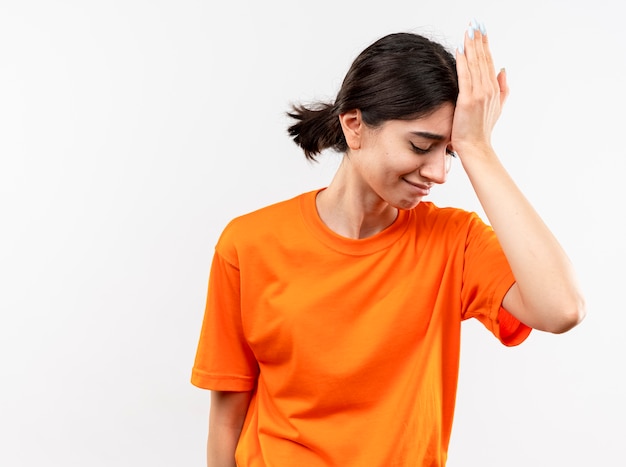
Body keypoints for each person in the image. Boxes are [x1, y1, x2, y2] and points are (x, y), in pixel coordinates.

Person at [191, 21, 585, 466]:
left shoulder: (454, 242)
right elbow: (227, 416)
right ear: (354, 125)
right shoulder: (248, 244)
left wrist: (479, 148)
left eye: (450, 153)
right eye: (421, 146)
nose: (438, 173)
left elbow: (562, 308)